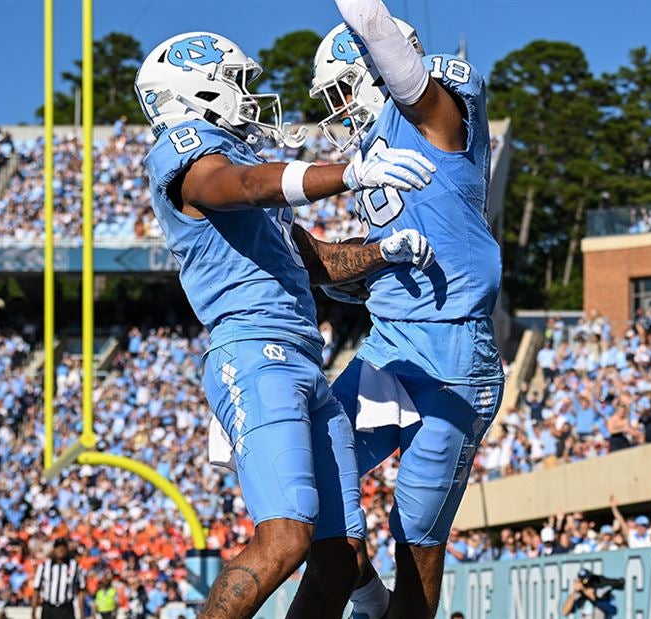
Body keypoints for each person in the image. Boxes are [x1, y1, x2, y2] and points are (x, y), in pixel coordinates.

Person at [135, 31, 434, 619]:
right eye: (238, 84)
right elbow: (238, 186)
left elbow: (317, 261)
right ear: (198, 92)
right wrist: (348, 173)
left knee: (340, 555)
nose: (251, 97)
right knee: (287, 537)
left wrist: (385, 251)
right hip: (253, 351)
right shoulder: (186, 149)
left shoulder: (242, 165)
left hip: (302, 360)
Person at [309, 4, 506, 617]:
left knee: (416, 537)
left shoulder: (436, 118)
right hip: (388, 345)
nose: (337, 108)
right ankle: (368, 599)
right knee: (307, 480)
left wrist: (363, 14)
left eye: (343, 88)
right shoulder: (371, 158)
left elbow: (383, 38)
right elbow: (343, 268)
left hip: (455, 352)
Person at [31, 538, 85, 619]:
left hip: (66, 608)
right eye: (58, 547)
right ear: (54, 549)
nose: (61, 549)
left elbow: (81, 590)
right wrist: (33, 612)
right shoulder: (44, 566)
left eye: (63, 547)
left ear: (67, 549)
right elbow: (36, 589)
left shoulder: (75, 566)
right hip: (48, 608)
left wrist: (81, 614)